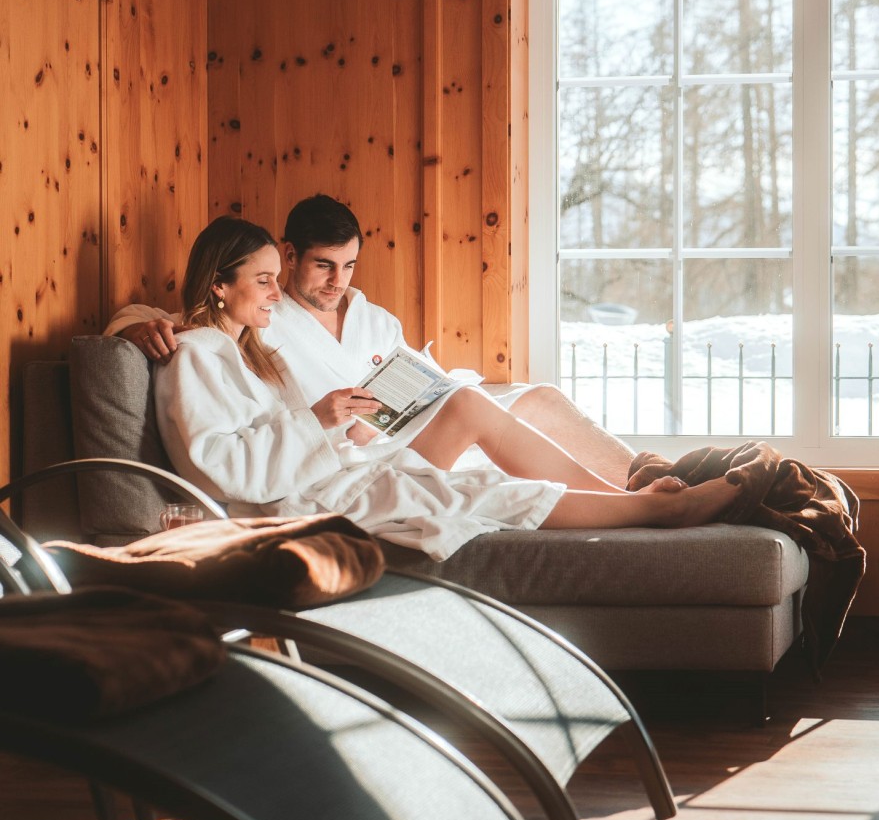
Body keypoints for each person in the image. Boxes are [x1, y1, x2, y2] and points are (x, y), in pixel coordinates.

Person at [154, 216, 739, 559]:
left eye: (276, 283)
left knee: (475, 469)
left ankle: (639, 501)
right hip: (296, 496)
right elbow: (220, 465)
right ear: (220, 286)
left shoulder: (246, 347)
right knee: (472, 492)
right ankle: (656, 510)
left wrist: (334, 422)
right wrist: (323, 419)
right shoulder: (197, 354)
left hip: (339, 461)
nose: (277, 294)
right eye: (264, 281)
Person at [107, 195, 636, 487]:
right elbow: (180, 314)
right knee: (476, 409)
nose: (338, 282)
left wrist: (420, 396)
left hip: (408, 432)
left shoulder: (371, 318)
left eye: (349, 266)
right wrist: (131, 328)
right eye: (323, 266)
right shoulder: (261, 313)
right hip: (357, 457)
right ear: (289, 256)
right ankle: (634, 500)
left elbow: (417, 381)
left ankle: (644, 474)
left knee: (536, 396)